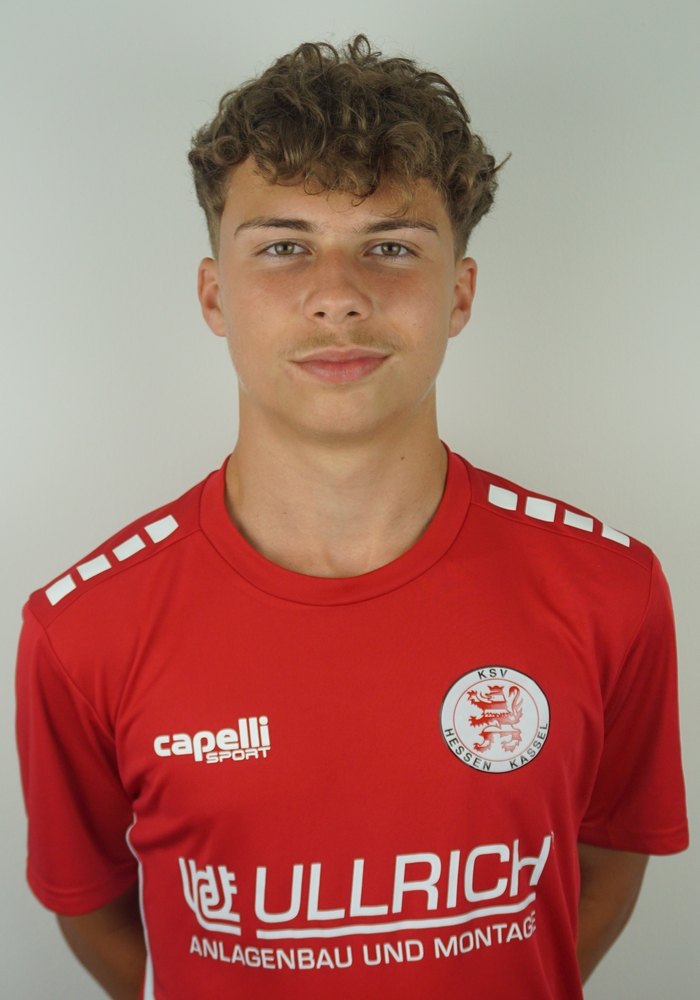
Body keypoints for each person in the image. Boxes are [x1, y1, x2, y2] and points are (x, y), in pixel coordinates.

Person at [15, 35, 688, 1000]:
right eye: (284, 247)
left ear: (459, 293)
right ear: (215, 294)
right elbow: (94, 908)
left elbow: (611, 857)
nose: (337, 295)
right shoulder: (82, 629)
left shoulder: (611, 590)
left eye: (391, 247)